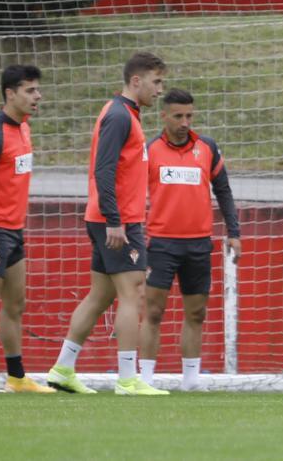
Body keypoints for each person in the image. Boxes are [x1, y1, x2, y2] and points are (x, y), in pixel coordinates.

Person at [47, 52, 169, 395]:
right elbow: (104, 170)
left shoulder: (124, 113)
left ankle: (62, 368)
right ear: (136, 81)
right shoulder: (118, 116)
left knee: (100, 296)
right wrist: (116, 221)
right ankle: (128, 380)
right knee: (134, 293)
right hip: (116, 222)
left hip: (108, 219)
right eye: (156, 81)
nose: (160, 89)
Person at [139, 88, 242, 391]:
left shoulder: (207, 148)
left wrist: (234, 233)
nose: (185, 122)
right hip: (161, 243)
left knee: (196, 312)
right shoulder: (150, 150)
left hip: (199, 243)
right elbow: (131, 193)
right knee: (154, 312)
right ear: (164, 116)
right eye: (178, 116)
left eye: (189, 116)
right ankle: (145, 379)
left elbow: (224, 192)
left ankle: (190, 380)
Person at [0, 65, 54, 393]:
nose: (38, 96)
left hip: (15, 231)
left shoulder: (24, 128)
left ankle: (16, 377)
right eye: (30, 90)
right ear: (10, 94)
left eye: (38, 90)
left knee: (15, 304)